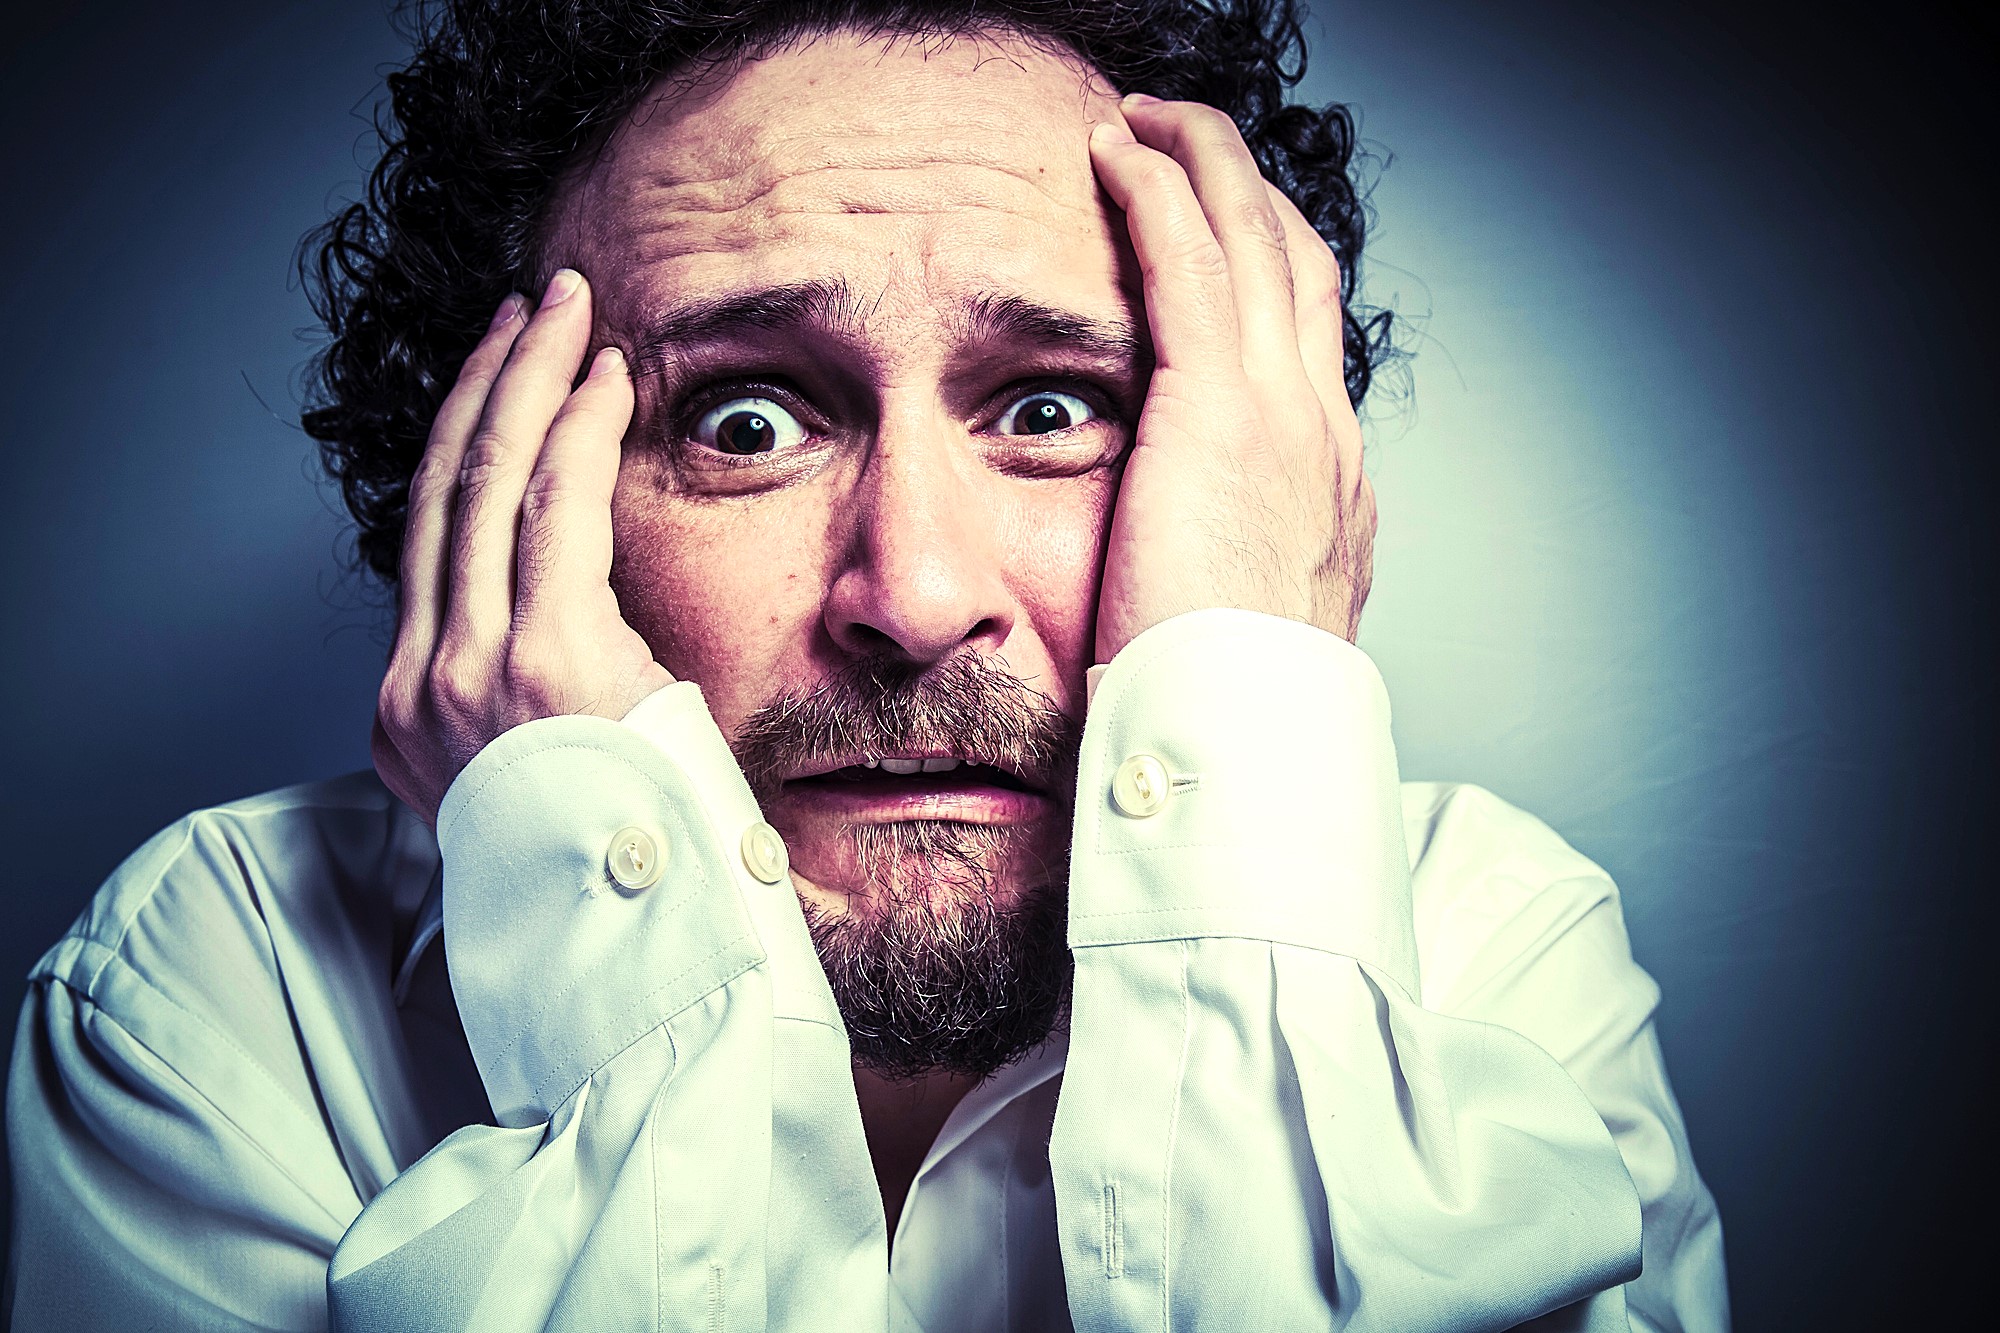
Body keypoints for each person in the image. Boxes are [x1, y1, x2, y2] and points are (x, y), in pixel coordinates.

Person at [4, 1, 1729, 1328]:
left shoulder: (1493, 954)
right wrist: (610, 943)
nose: (909, 592)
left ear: (1268, 468)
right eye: (747, 418)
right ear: (504, 485)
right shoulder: (215, 997)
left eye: (1052, 408)